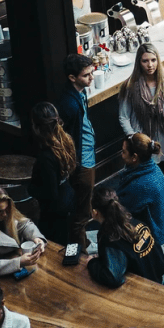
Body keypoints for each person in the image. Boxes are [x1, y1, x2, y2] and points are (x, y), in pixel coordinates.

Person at [118, 43, 164, 205]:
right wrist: (135, 138)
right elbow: (123, 117)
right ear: (138, 62)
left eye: (153, 60)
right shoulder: (130, 86)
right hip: (141, 138)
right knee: (143, 178)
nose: (150, 65)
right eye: (145, 61)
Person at [87, 186, 164, 287]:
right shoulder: (132, 220)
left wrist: (92, 263)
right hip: (156, 277)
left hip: (143, 287)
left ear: (94, 212)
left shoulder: (109, 237)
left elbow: (112, 277)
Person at [58, 53, 97, 250]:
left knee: (85, 205)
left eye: (92, 73)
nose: (91, 78)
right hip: (82, 161)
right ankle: (79, 250)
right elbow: (66, 138)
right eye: (86, 75)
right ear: (72, 78)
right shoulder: (69, 104)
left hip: (87, 153)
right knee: (81, 211)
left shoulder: (80, 93)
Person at [27, 102, 77, 246]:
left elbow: (50, 194)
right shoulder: (65, 140)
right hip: (68, 199)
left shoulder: (46, 158)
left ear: (37, 128)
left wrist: (31, 189)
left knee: (54, 249)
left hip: (54, 214)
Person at [115, 133, 164, 245]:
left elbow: (121, 209)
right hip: (157, 221)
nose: (122, 155)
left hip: (150, 235)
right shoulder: (154, 169)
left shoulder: (141, 185)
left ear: (134, 157)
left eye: (124, 152)